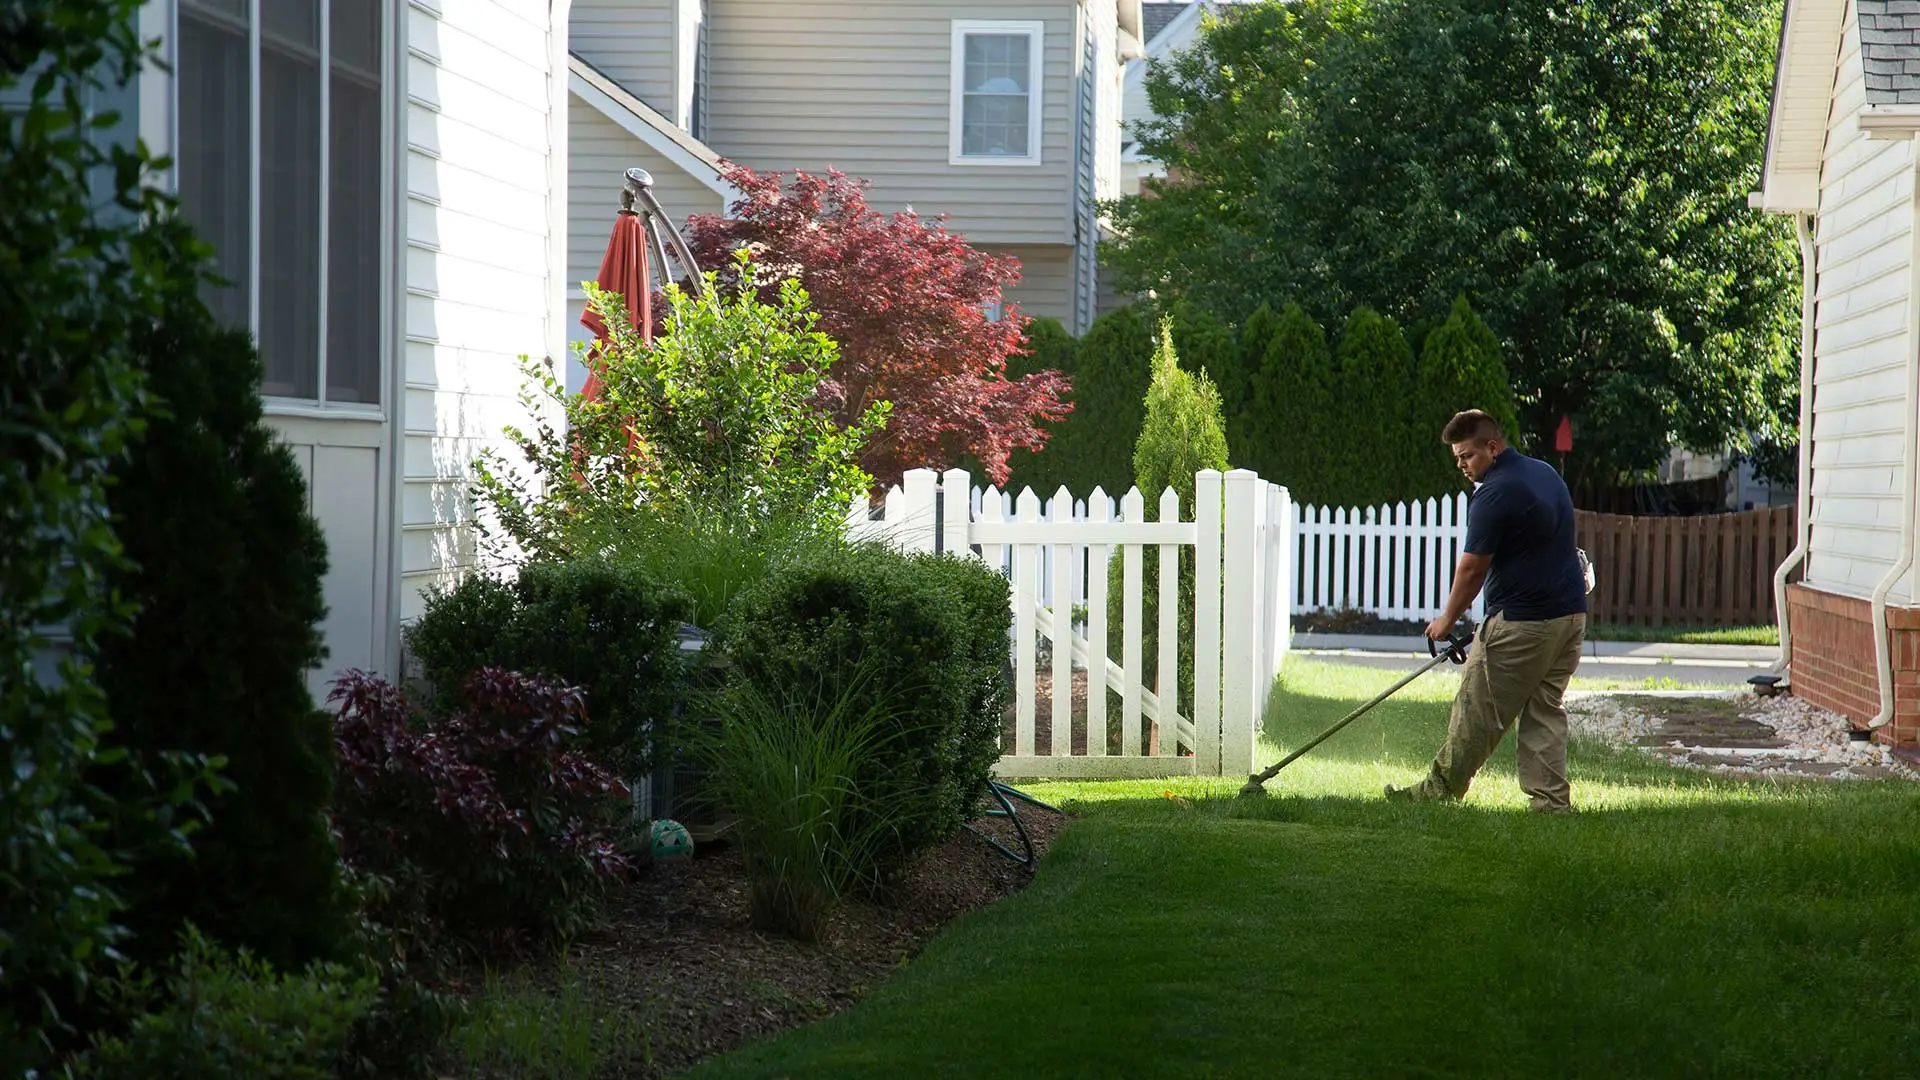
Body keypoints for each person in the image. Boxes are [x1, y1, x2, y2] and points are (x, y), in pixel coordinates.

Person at [1386, 410, 1588, 812]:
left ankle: (1437, 794)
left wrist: (1446, 621)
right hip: (1569, 618)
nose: (1461, 465)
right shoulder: (1544, 473)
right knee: (1544, 709)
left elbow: (1473, 567)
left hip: (1524, 623)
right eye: (1457, 458)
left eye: (1467, 456)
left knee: (1476, 710)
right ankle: (1550, 805)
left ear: (1492, 447)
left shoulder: (1494, 492)